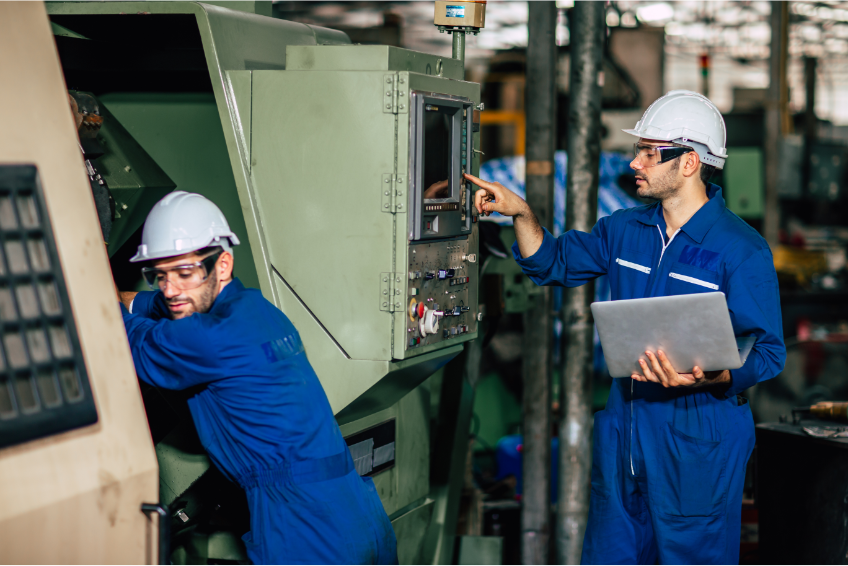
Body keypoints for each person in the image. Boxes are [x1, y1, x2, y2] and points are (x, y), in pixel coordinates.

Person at [465, 90, 785, 565]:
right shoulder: (624, 231)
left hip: (698, 436)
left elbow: (769, 353)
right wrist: (520, 213)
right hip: (625, 429)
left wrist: (710, 376)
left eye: (649, 152)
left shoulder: (741, 250)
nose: (635, 162)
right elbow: (552, 263)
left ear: (690, 162)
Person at [118, 191, 397, 565]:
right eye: (159, 275)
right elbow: (169, 302)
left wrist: (92, 283)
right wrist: (135, 298)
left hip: (304, 526)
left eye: (183, 273)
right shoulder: (255, 307)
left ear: (223, 265)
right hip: (357, 510)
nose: (169, 289)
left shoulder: (208, 338)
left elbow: (129, 338)